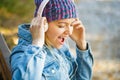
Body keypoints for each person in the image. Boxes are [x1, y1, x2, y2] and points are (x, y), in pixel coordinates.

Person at [10, 0, 93, 80]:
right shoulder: (23, 53)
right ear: (42, 24)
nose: (69, 31)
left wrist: (81, 44)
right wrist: (37, 43)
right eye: (61, 25)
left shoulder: (60, 47)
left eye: (71, 24)